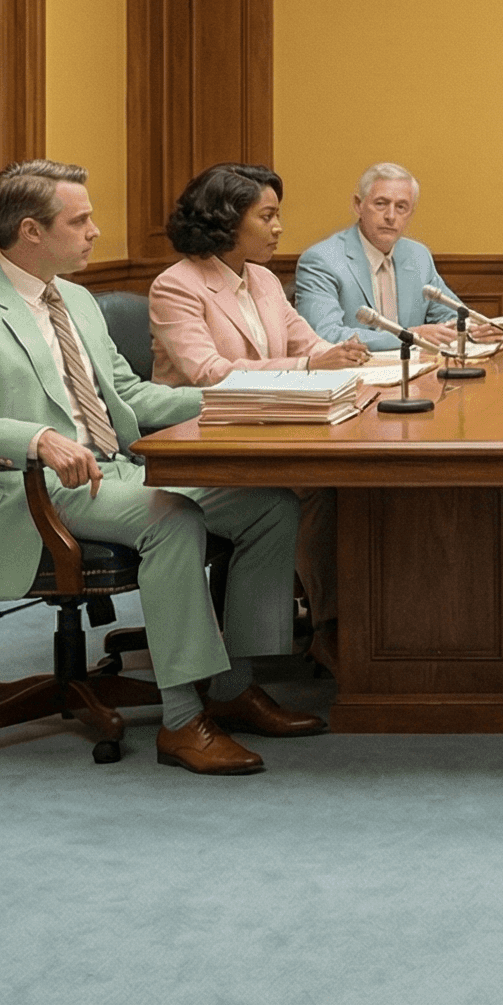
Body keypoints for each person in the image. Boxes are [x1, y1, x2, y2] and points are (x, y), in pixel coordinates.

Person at [0, 161, 322, 775]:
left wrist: (252, 396)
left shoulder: (75, 300)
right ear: (31, 231)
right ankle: (184, 722)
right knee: (173, 518)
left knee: (269, 504)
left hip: (110, 469)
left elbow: (128, 397)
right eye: (80, 221)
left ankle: (237, 686)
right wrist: (39, 438)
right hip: (33, 488)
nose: (95, 232)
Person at [148, 163, 370, 675]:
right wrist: (311, 365)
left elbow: (310, 345)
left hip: (271, 427)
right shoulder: (176, 286)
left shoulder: (264, 279)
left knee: (338, 486)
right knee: (316, 490)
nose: (278, 228)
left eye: (278, 215)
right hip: (206, 443)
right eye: (266, 216)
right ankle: (324, 629)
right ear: (226, 221)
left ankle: (335, 623)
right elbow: (208, 373)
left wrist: (347, 355)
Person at [294, 161, 477, 352]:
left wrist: (474, 329)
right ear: (359, 205)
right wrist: (410, 336)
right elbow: (325, 334)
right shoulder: (321, 260)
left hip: (417, 372)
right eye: (381, 204)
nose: (390, 216)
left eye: (401, 207)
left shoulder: (418, 256)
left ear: (410, 213)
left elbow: (454, 317)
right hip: (354, 374)